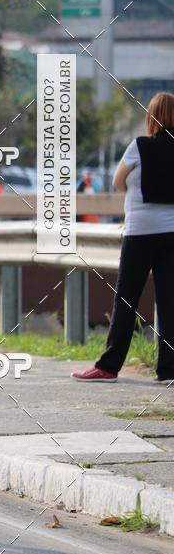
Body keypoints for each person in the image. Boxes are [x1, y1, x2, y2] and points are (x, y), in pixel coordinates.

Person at [72, 92, 174, 383]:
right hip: (172, 234)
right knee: (170, 302)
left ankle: (108, 366)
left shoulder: (139, 146)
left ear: (151, 116)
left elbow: (118, 182)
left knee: (127, 300)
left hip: (140, 233)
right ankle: (169, 370)